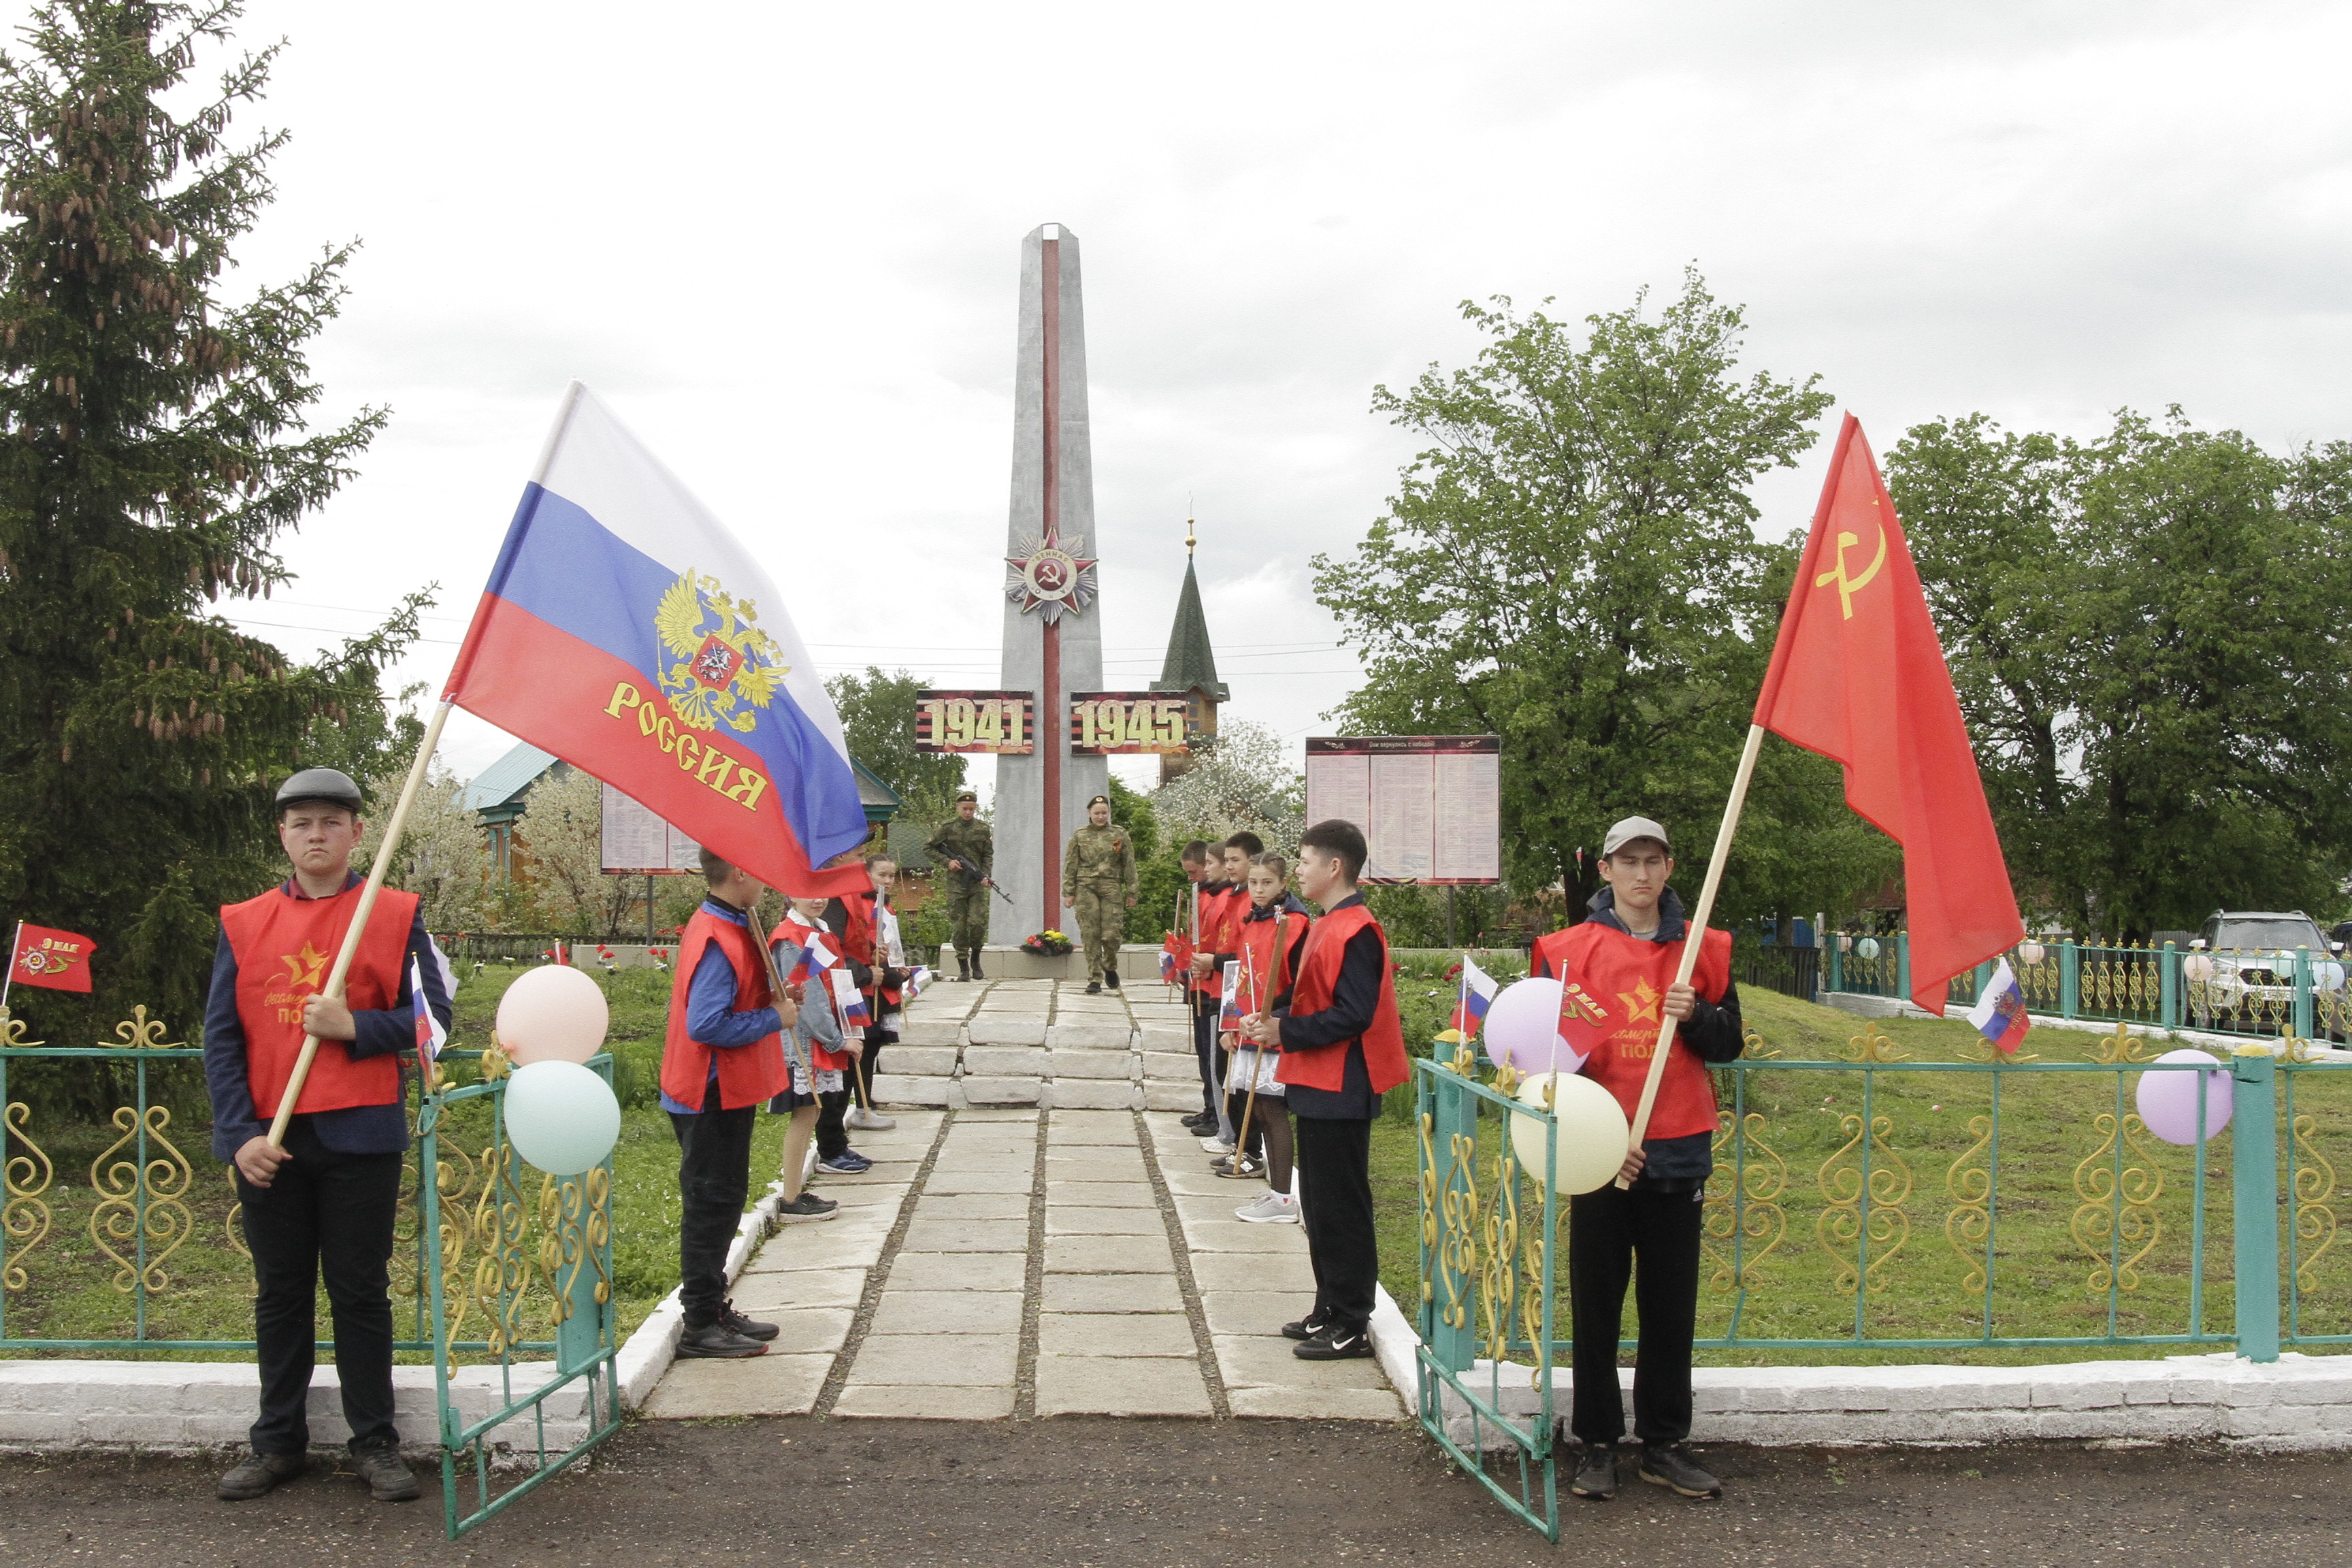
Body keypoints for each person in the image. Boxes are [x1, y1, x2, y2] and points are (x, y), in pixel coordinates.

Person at [204, 768, 449, 1503]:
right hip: (271, 1143)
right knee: (279, 1293)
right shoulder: (243, 923)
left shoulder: (395, 913)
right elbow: (221, 1039)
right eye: (302, 823)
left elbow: (434, 1020)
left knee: (358, 1292)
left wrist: (357, 1028)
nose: (316, 835)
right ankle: (277, 1442)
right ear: (282, 834)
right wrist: (238, 1135)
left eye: (330, 823)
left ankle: (374, 1443)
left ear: (356, 834)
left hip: (360, 1137)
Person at [1531, 815, 1743, 1503]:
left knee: (1670, 1304)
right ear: (1606, 871)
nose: (1642, 875)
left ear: (1670, 868)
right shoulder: (1566, 951)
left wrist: (1699, 1013)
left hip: (1678, 1149)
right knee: (1596, 1303)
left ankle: (1663, 1442)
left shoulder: (1703, 950)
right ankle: (1595, 1441)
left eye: (1654, 861)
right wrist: (1600, 1136)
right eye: (1629, 862)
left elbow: (1729, 1045)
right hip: (1599, 1150)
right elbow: (1546, 1062)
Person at [1241, 819, 1406, 1360]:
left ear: (1335, 868)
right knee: (1318, 1203)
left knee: (1343, 1206)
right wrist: (1271, 1019)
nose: (1301, 870)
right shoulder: (1324, 924)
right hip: (1313, 1078)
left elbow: (1354, 1014)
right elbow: (1312, 1002)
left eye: (1307, 861)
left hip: (1343, 1083)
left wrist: (1285, 1030)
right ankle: (1328, 1308)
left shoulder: (1357, 928)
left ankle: (1353, 1319)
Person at [662, 849, 804, 1360]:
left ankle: (713, 1304)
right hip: (708, 1089)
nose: (766, 883)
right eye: (759, 872)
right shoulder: (718, 935)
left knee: (723, 1200)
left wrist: (772, 1001)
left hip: (724, 1088)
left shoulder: (730, 922)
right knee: (710, 1203)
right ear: (740, 871)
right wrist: (775, 1019)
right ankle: (699, 1320)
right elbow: (706, 1024)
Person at [1224, 852, 1311, 1221]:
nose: (1258, 890)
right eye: (1254, 882)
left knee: (1272, 1109)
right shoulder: (1251, 918)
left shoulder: (1296, 924)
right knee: (1256, 1106)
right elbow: (1240, 972)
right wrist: (1230, 1023)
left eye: (1267, 883)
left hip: (1273, 1023)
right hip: (1248, 1022)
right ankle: (1276, 1192)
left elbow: (1301, 985)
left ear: (1283, 883)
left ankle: (1283, 1199)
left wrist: (1269, 1017)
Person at [770, 894, 856, 1216]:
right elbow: (808, 995)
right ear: (791, 895)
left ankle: (793, 1194)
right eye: (809, 892)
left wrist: (850, 1026)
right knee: (804, 1114)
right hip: (804, 1042)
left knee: (812, 1114)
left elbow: (837, 980)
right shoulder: (791, 937)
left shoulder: (821, 930)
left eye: (823, 892)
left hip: (819, 1038)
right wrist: (836, 1040)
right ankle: (790, 1198)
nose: (818, 899)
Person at [1194, 832, 1263, 1149]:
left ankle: (1237, 1138)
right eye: (1228, 860)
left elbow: (1247, 953)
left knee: (1232, 1068)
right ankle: (1230, 1133)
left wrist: (1214, 961)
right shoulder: (1235, 895)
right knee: (1220, 1065)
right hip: (1222, 985)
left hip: (1238, 991)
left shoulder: (1253, 899)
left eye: (1235, 860)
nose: (1228, 866)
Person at [845, 853, 904, 1132]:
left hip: (883, 982)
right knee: (864, 1048)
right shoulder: (860, 902)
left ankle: (866, 1102)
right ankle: (861, 1106)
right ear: (867, 875)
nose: (888, 881)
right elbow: (858, 944)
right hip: (867, 984)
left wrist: (899, 968)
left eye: (892, 875)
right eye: (882, 875)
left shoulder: (886, 905)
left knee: (874, 1047)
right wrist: (876, 963)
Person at [1063, 794, 1138, 994]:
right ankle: (1095, 977)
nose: (1101, 816)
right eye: (1097, 813)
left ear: (1109, 813)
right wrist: (1068, 892)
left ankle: (1109, 965)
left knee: (1112, 934)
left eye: (1104, 813)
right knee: (1090, 932)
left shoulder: (1119, 834)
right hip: (1085, 885)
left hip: (1111, 885)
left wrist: (1132, 891)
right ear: (1089, 814)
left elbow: (1128, 864)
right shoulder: (1080, 835)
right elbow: (1070, 865)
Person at [1175, 841, 1220, 1134]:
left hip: (1214, 981)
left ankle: (1219, 1113)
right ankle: (1209, 1107)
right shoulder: (1201, 894)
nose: (1191, 878)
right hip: (1198, 978)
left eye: (1195, 872)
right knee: (1203, 1050)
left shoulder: (1222, 896)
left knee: (1213, 1053)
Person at [926, 790, 994, 981]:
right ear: (957, 808)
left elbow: (988, 854)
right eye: (964, 809)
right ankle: (963, 966)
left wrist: (985, 875)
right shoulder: (947, 828)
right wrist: (947, 862)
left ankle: (976, 960)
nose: (968, 813)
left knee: (977, 924)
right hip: (956, 884)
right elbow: (929, 847)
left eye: (971, 809)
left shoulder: (982, 828)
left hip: (975, 883)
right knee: (960, 927)